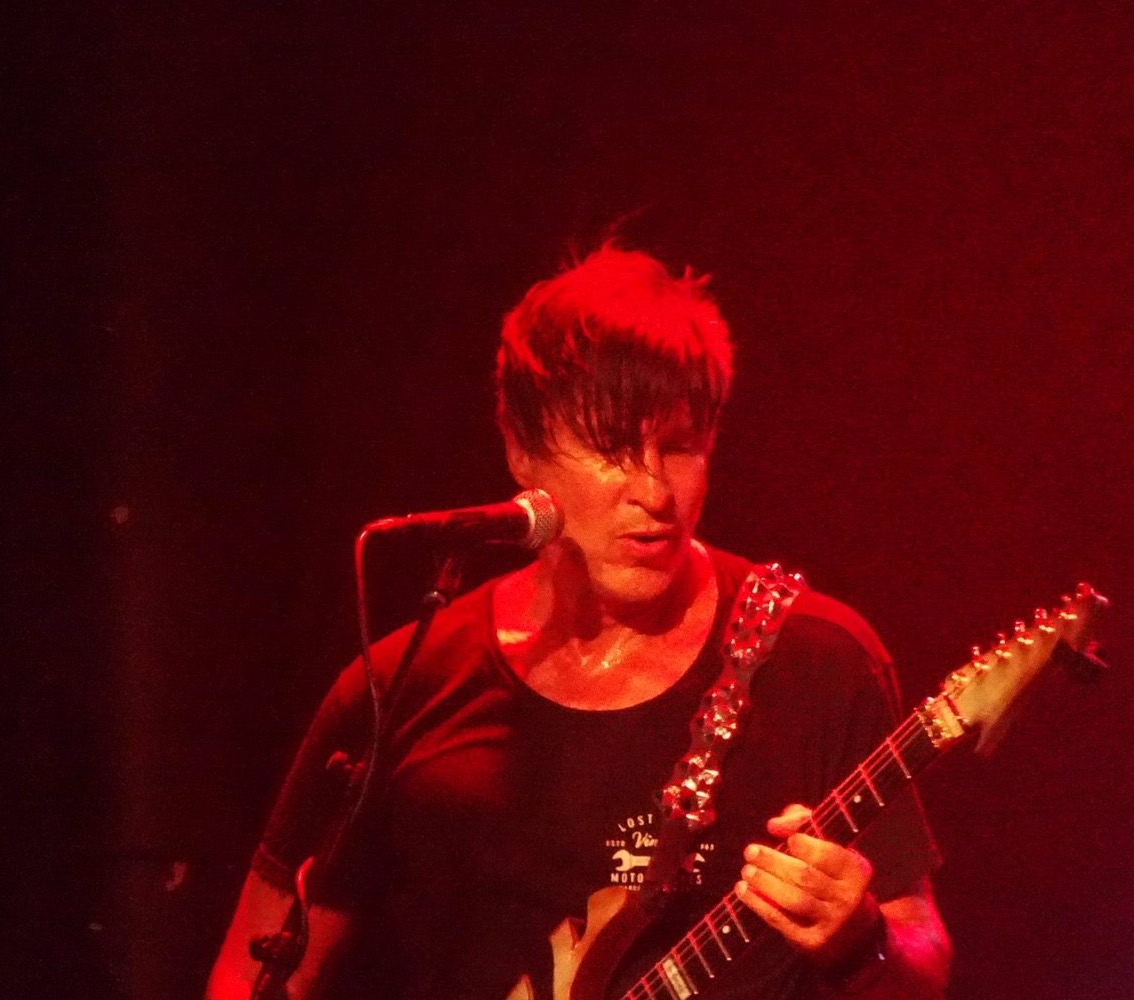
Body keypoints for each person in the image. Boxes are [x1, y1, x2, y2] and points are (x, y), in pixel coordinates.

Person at [206, 246, 951, 1000]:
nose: (654, 492)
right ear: (521, 450)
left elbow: (923, 959)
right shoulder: (403, 685)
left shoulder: (818, 659)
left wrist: (863, 939)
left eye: (679, 447)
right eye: (611, 447)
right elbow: (250, 971)